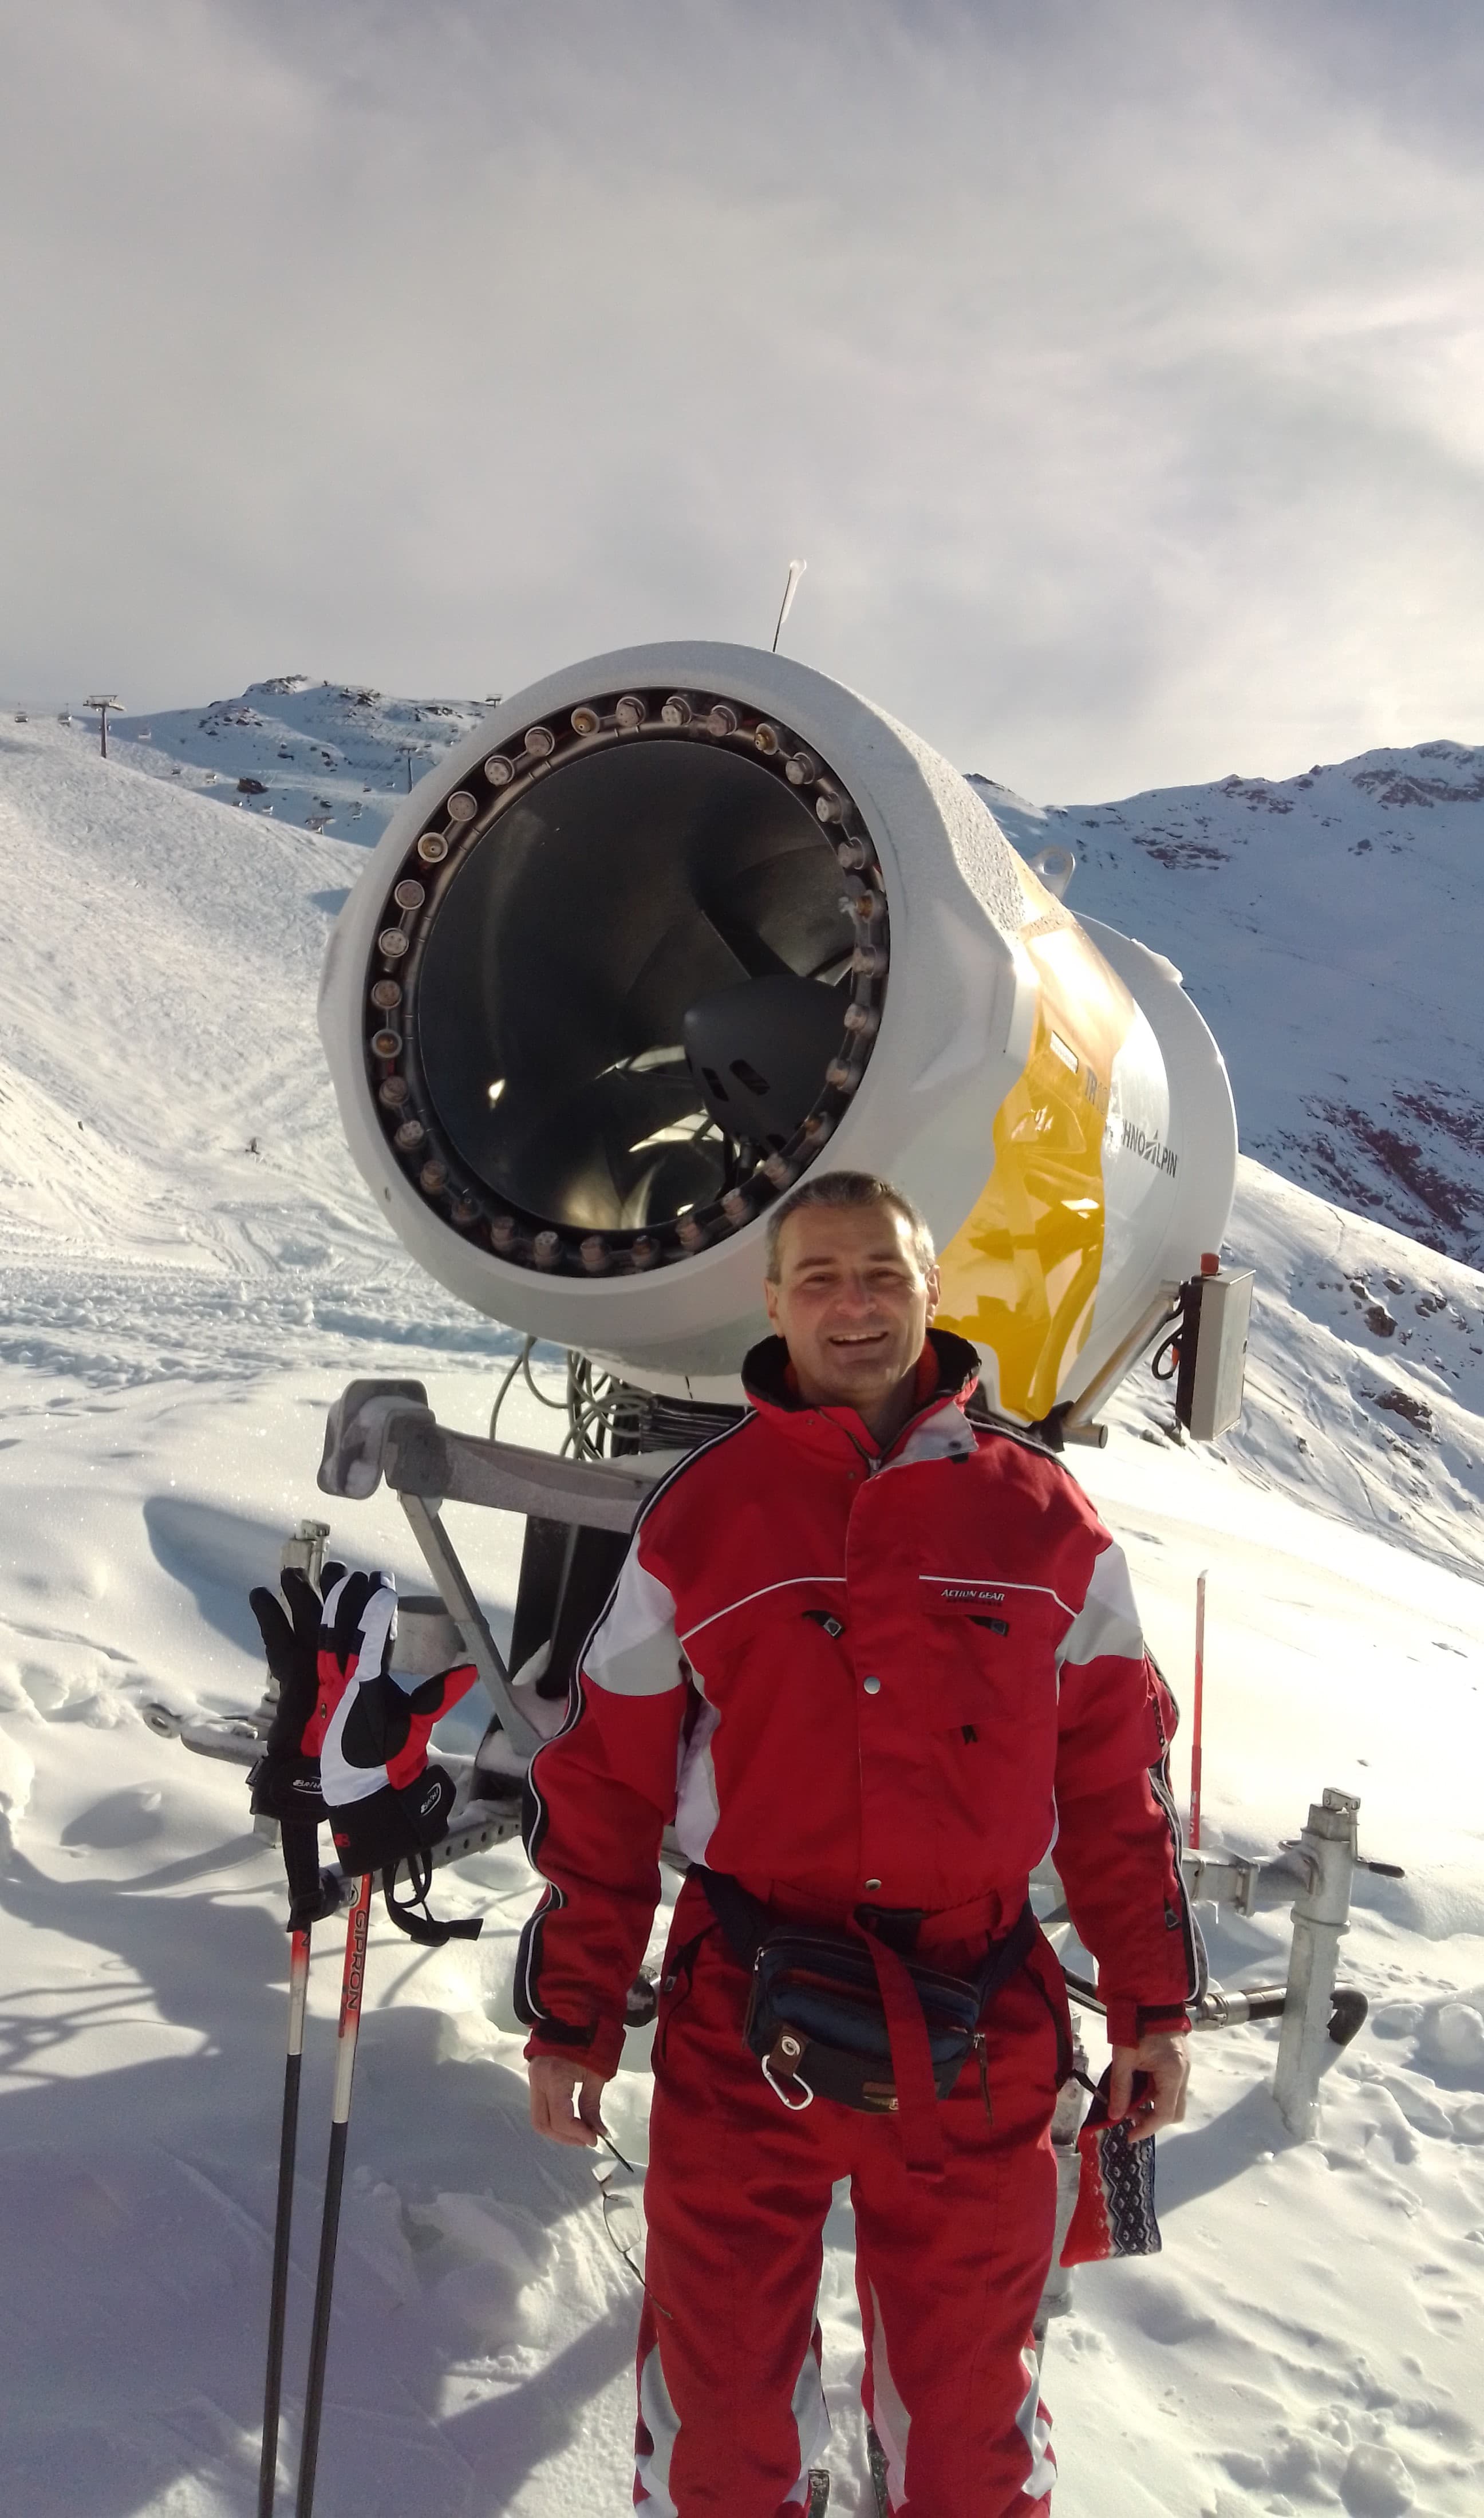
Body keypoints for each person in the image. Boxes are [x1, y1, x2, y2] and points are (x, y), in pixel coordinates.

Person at [518, 1171, 1195, 2517]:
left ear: (932, 1289)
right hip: (741, 2014)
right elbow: (606, 1786)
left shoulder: (1047, 1519)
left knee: (969, 2441)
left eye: (881, 1274)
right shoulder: (705, 1516)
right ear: (771, 1305)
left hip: (979, 2016)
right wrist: (576, 2014)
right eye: (819, 1278)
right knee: (720, 2430)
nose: (854, 1305)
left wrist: (1153, 2006)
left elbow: (1119, 1785)